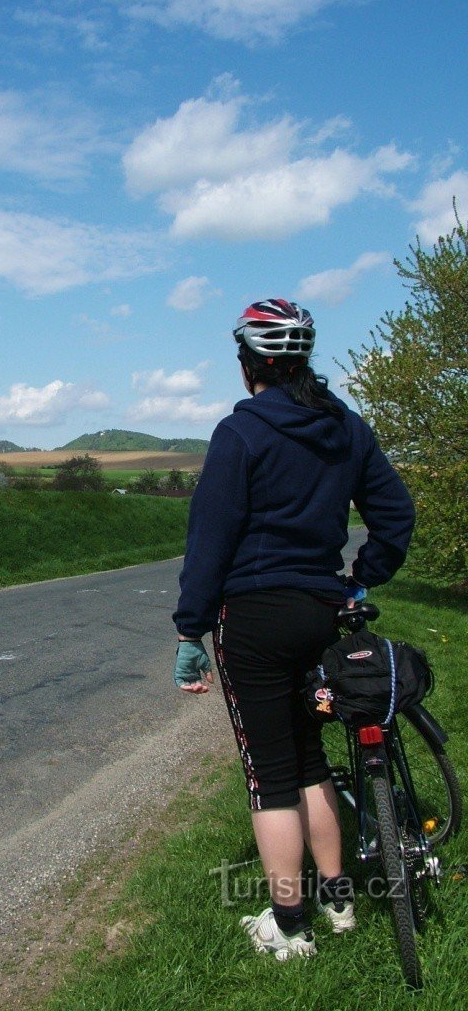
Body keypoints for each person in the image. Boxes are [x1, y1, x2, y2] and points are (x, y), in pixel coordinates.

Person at [172, 299, 415, 961]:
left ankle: (289, 925)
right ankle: (339, 903)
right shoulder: (345, 427)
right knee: (311, 757)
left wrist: (191, 631)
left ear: (249, 362)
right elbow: (395, 514)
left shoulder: (241, 432)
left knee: (269, 773)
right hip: (321, 610)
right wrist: (361, 577)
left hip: (252, 616)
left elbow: (210, 541)